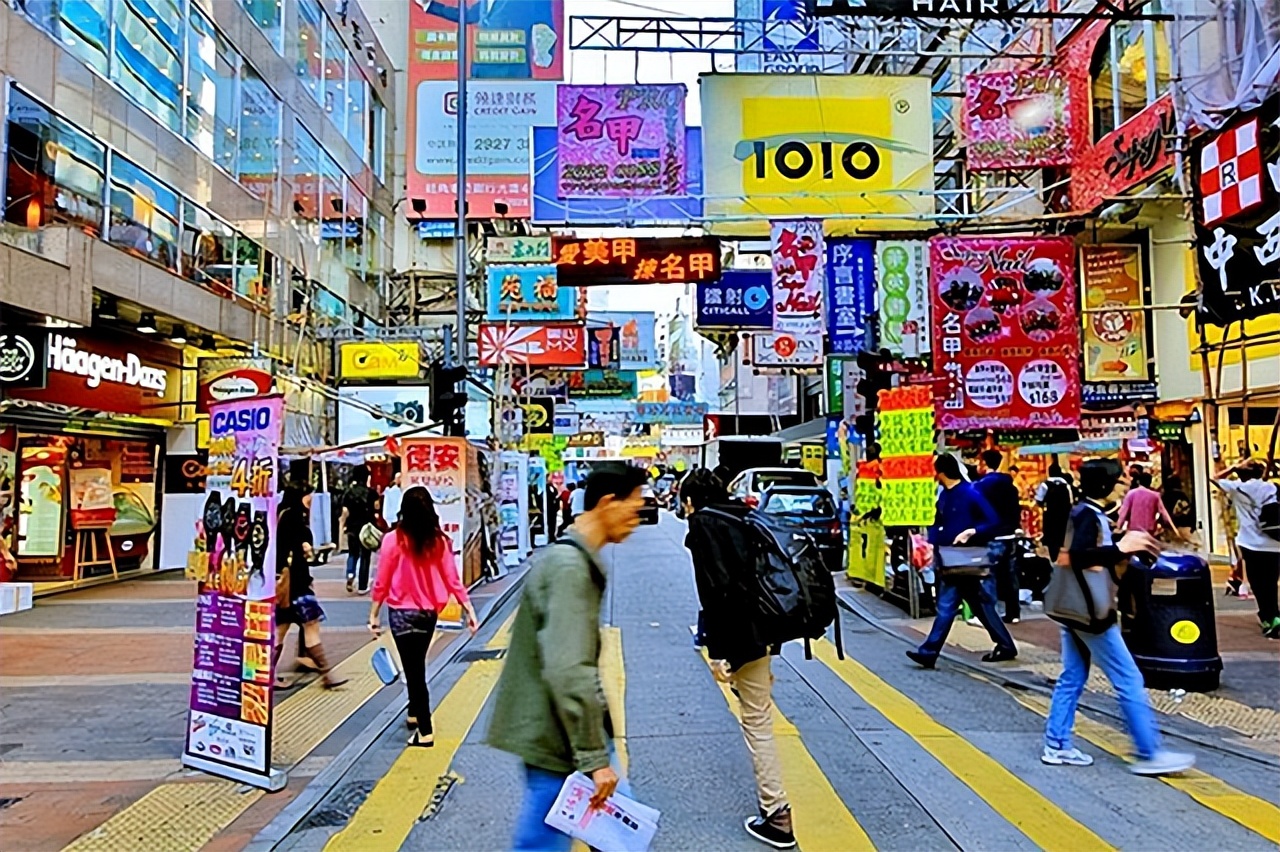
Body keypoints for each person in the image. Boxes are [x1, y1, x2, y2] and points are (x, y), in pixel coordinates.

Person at [487, 462, 647, 852]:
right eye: (634, 508)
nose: (637, 519)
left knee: (617, 838)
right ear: (607, 503)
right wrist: (594, 759)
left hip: (565, 732)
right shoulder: (569, 568)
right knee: (555, 843)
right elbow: (568, 667)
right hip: (559, 738)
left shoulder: (572, 557)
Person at [1043, 459, 1196, 775]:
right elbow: (1081, 556)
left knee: (1073, 676)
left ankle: (1056, 744)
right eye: (1119, 481)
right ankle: (1148, 752)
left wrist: (1122, 545)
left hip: (1074, 609)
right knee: (1129, 679)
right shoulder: (1088, 515)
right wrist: (1121, 548)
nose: (1124, 486)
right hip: (1091, 613)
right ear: (1105, 486)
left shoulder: (1085, 512)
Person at [682, 468, 795, 849]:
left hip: (742, 636)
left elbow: (716, 592)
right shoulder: (743, 514)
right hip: (766, 628)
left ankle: (778, 815)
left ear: (690, 500)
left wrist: (719, 653)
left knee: (757, 722)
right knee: (758, 712)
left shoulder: (704, 524)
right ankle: (776, 811)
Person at [369, 487, 478, 746]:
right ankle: (413, 712)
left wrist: (374, 614)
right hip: (428, 614)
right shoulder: (439, 541)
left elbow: (382, 580)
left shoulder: (392, 540)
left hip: (401, 613)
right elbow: (452, 579)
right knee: (415, 664)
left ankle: (425, 730)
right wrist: (469, 609)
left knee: (414, 671)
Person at [907, 454, 1018, 669]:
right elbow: (938, 522)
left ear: (941, 472)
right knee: (978, 605)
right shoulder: (945, 495)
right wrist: (931, 541)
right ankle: (1005, 645)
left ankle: (929, 651)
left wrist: (972, 532)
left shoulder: (970, 492)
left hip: (968, 559)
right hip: (950, 559)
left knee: (949, 606)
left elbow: (993, 521)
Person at [274, 484, 346, 689]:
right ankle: (327, 674)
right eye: (308, 496)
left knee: (282, 630)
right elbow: (304, 550)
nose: (311, 499)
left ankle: (266, 675)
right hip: (296, 583)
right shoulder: (294, 518)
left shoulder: (280, 515)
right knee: (310, 626)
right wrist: (309, 548)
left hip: (284, 584)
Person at [1212, 460, 1280, 638]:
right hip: (1274, 543)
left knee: (1258, 583)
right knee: (1271, 583)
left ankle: (1268, 617)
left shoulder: (1237, 488)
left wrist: (1232, 468)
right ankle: (1274, 615)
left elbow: (1214, 478)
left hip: (1250, 544)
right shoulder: (1272, 487)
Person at [975, 449, 1024, 624]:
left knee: (988, 575)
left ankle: (989, 615)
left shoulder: (981, 486)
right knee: (1010, 575)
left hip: (992, 535)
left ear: (984, 463)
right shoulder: (1010, 485)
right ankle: (1013, 612)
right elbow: (1016, 509)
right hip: (1009, 535)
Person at [340, 465, 379, 594]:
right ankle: (362, 586)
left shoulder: (348, 493)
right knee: (365, 556)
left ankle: (350, 573)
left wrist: (343, 525)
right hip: (367, 528)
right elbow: (377, 507)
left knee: (353, 553)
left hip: (352, 526)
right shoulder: (372, 493)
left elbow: (345, 511)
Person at [1116, 470, 1183, 540]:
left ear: (1139, 481)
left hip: (1133, 532)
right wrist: (1175, 531)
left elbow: (1123, 513)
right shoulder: (1155, 496)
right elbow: (1165, 515)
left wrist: (1118, 527)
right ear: (1150, 482)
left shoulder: (1131, 493)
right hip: (1150, 533)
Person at [1036, 462, 1075, 561]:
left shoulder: (1045, 485)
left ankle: (1052, 555)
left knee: (1050, 535)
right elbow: (1071, 501)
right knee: (1061, 534)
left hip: (1050, 514)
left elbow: (1039, 499)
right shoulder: (1066, 485)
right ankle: (1058, 552)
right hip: (1063, 515)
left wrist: (1043, 506)